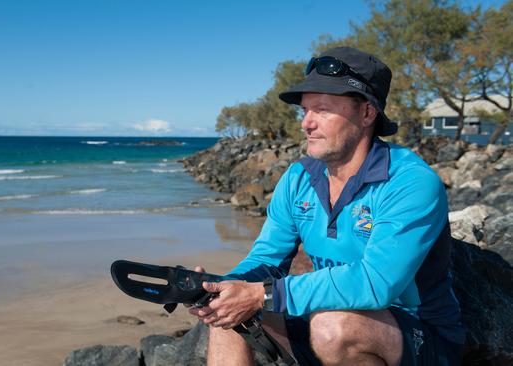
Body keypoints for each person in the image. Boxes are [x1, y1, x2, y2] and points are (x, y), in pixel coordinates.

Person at [188, 47, 466, 366]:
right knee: (228, 313)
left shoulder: (409, 182)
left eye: (321, 110)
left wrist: (263, 294)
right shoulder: (299, 178)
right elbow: (266, 259)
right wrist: (221, 287)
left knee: (332, 326)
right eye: (305, 111)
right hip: (326, 323)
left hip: (417, 337)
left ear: (366, 113)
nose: (307, 123)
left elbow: (375, 283)